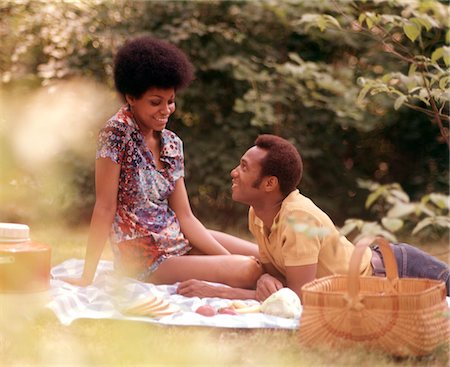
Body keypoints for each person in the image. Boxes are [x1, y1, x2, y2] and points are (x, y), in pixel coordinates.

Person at [61, 36, 262, 288]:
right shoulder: (116, 134)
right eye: (155, 102)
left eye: (170, 101)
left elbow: (186, 216)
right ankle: (265, 281)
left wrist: (225, 256)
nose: (165, 110)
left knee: (262, 256)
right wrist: (86, 277)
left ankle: (305, 286)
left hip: (175, 240)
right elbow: (104, 206)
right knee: (248, 269)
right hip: (143, 257)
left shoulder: (172, 144)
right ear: (131, 97)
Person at [177, 134, 450, 301]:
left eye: (244, 168)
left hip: (396, 270)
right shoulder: (258, 214)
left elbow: (298, 298)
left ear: (269, 184)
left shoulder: (299, 219)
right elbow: (278, 277)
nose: (234, 172)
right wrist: (261, 280)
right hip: (372, 270)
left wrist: (221, 291)